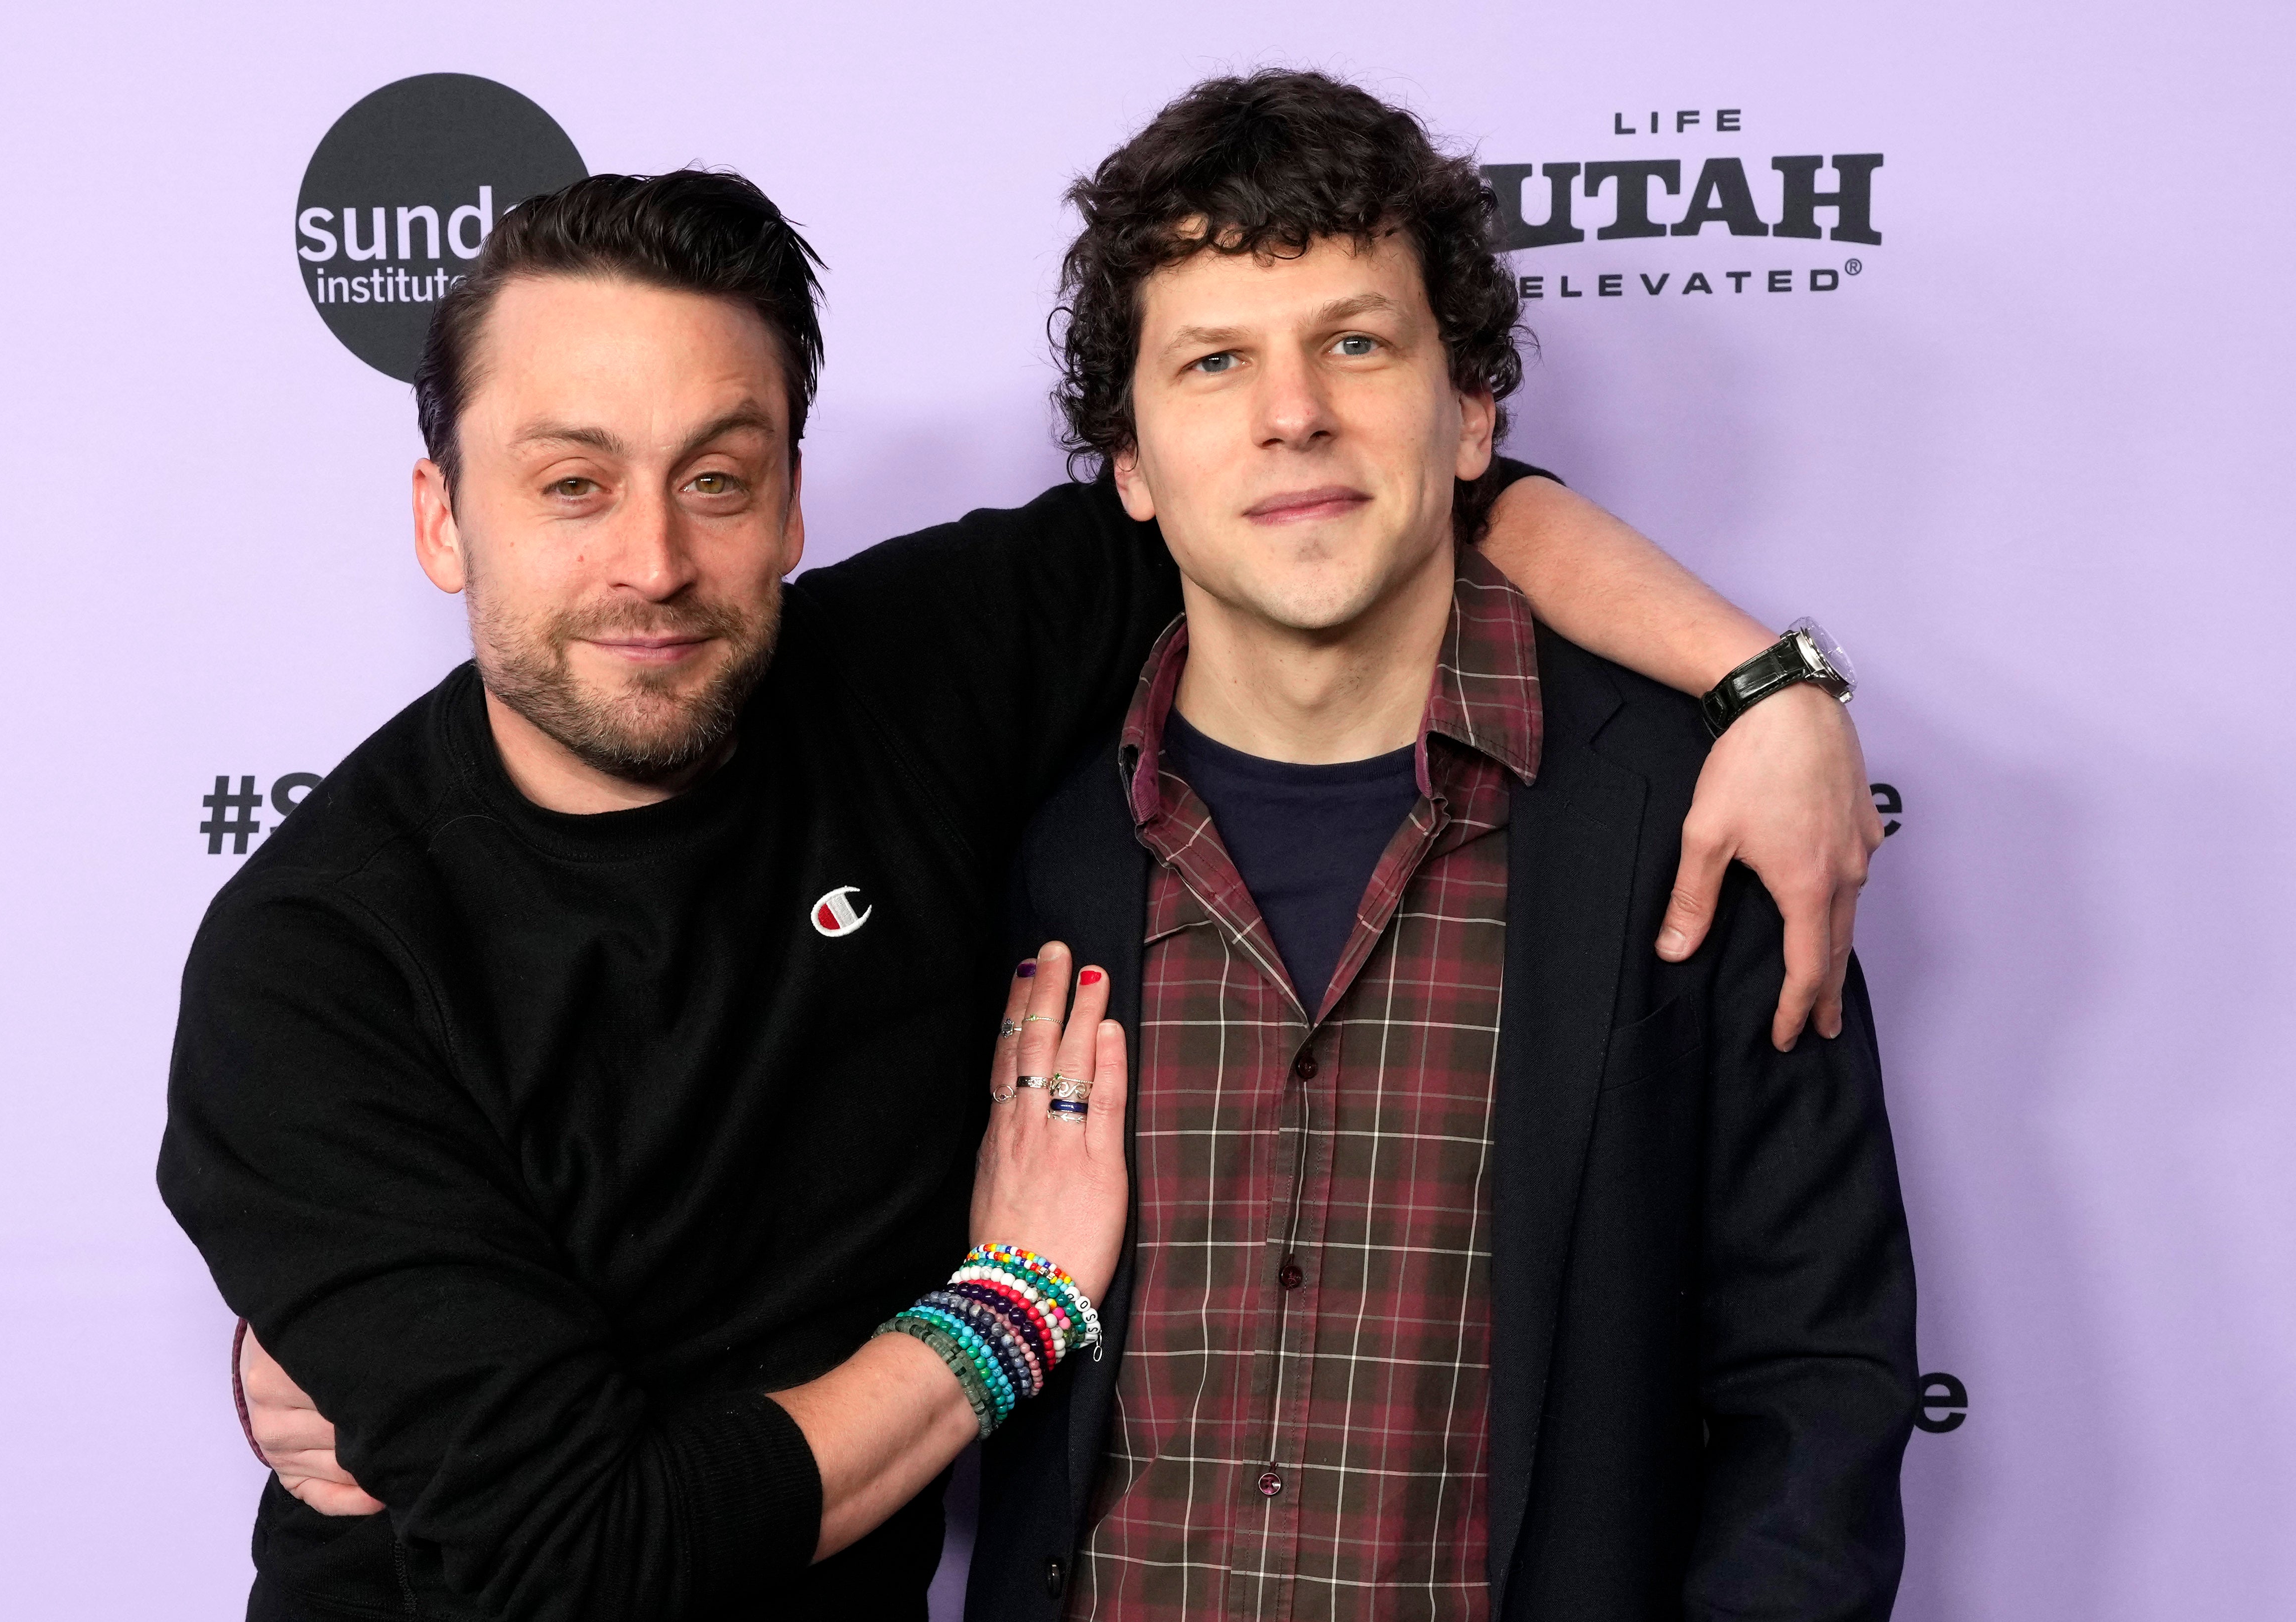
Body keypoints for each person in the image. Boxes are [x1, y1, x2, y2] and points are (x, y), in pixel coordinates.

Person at [165, 159, 1881, 1622]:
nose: (651, 560)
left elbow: (1347, 493)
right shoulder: (314, 961)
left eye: (717, 476)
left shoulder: (912, 675)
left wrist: (1764, 686)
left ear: (790, 506)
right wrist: (1011, 1309)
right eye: (569, 484)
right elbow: (590, 1549)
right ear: (441, 518)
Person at [967, 71, 1915, 1622]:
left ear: (1472, 411)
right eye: (1215, 361)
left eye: (1357, 340)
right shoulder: (1031, 838)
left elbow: (1816, 1380)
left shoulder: (1692, 822)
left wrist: (1779, 690)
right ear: (1130, 464)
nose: (1293, 412)